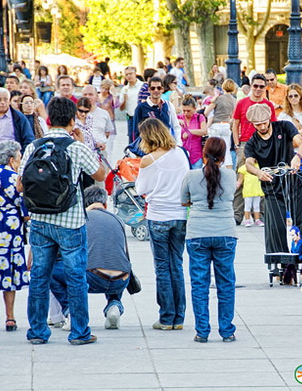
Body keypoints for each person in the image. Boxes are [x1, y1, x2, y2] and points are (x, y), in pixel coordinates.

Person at [19, 97, 106, 345]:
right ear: (72, 120)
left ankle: (37, 332)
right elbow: (100, 174)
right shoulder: (75, 147)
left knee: (39, 275)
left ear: (48, 119)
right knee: (75, 276)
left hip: (40, 220)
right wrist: (82, 143)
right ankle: (79, 332)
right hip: (71, 220)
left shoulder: (33, 147)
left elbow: (21, 184)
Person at [50, 186, 131, 330]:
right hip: (122, 278)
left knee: (50, 272)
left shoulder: (79, 220)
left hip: (93, 278)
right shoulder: (118, 220)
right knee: (114, 261)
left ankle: (70, 312)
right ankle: (114, 305)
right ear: (105, 204)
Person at [181, 137, 237, 343]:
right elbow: (231, 194)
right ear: (224, 156)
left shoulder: (191, 175)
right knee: (226, 284)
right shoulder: (231, 175)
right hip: (226, 232)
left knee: (199, 284)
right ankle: (227, 330)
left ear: (204, 153)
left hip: (197, 233)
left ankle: (202, 331)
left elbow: (184, 200)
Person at [135, 118, 189, 331]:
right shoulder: (180, 154)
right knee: (176, 264)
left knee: (162, 267)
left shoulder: (148, 160)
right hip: (179, 214)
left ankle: (166, 317)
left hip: (158, 215)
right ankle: (179, 316)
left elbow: (140, 188)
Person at [244, 103, 302, 252]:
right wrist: (258, 173)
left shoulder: (284, 126)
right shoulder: (252, 143)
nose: (262, 127)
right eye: (258, 124)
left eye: (264, 122)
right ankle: (280, 259)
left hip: (292, 176)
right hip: (271, 183)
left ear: (269, 118)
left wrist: (297, 157)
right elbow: (248, 163)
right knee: (275, 224)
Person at [0, 141, 27, 337]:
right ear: (11, 160)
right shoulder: (16, 178)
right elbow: (25, 208)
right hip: (11, 227)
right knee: (8, 270)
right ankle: (10, 317)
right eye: (19, 158)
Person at [232, 74, 277, 224]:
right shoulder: (242, 103)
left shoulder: (268, 105)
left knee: (264, 178)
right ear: (251, 86)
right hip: (245, 143)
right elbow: (235, 123)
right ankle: (238, 214)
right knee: (241, 178)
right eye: (255, 86)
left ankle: (262, 214)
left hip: (263, 144)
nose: (258, 89)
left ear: (265, 88)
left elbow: (273, 126)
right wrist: (237, 143)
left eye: (261, 86)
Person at [0, 88, 34, 168]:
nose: (3, 102)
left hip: (11, 162)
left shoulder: (19, 118)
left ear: (9, 101)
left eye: (5, 100)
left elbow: (29, 139)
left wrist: (20, 157)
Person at [132, 76, 181, 143]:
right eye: (153, 88)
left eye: (159, 88)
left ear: (162, 89)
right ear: (149, 90)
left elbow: (175, 126)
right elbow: (136, 131)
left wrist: (178, 143)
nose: (156, 90)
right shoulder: (141, 108)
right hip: (148, 146)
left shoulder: (168, 105)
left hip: (166, 145)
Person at [205, 79, 237, 168]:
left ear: (223, 87)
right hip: (226, 125)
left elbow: (206, 112)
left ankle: (214, 171)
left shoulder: (219, 98)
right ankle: (229, 171)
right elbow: (233, 116)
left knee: (213, 151)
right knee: (226, 151)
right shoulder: (234, 101)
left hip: (216, 124)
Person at [179, 95, 207, 169]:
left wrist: (189, 132)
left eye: (188, 111)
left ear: (194, 109)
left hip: (196, 155)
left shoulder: (199, 117)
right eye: (184, 110)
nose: (185, 113)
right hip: (182, 155)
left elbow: (204, 131)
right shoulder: (178, 118)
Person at [119, 67, 144, 144]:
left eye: (131, 74)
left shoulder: (143, 86)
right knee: (132, 138)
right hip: (131, 117)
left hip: (142, 117)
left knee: (143, 138)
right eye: (127, 74)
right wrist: (125, 100)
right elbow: (121, 108)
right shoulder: (125, 89)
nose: (129, 76)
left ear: (135, 74)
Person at [237, 162, 264, 227]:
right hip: (248, 191)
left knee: (256, 206)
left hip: (257, 190)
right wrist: (236, 186)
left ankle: (257, 220)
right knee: (247, 206)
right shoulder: (243, 168)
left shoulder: (259, 167)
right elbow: (240, 180)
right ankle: (247, 220)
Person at [97, 79, 120, 157]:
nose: (104, 90)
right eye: (102, 88)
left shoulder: (110, 98)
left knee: (108, 148)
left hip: (109, 123)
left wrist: (113, 93)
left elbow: (116, 105)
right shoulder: (96, 96)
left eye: (106, 89)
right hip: (98, 123)